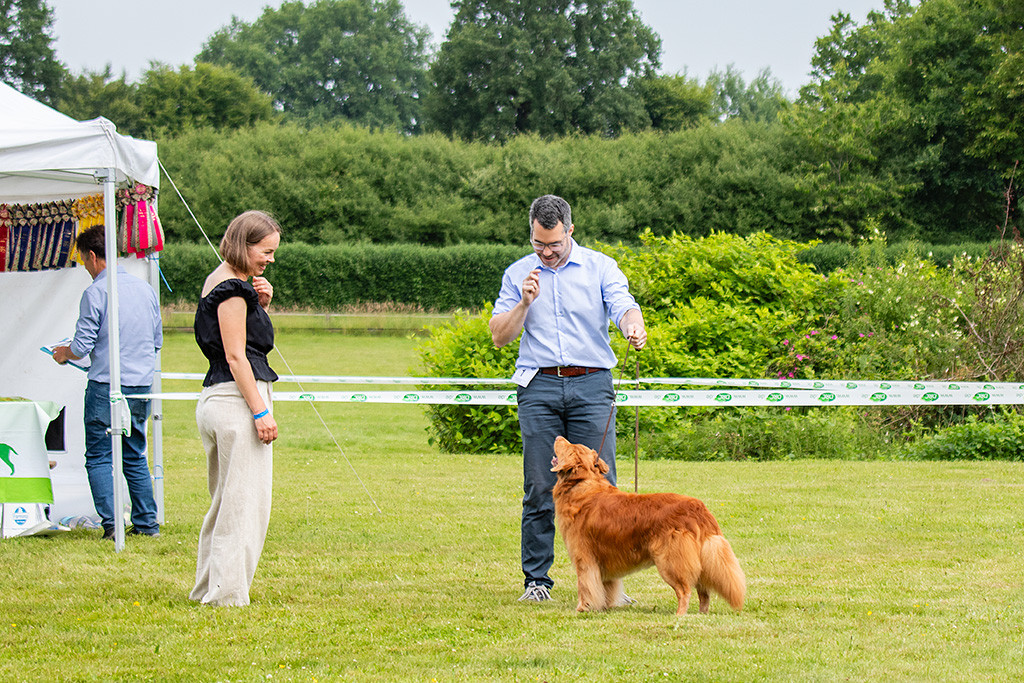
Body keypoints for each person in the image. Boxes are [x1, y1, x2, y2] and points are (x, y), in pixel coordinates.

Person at [489, 194, 647, 603]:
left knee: (602, 485)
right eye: (538, 243)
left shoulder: (600, 266)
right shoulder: (518, 274)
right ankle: (537, 582)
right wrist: (524, 303)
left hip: (592, 385)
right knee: (541, 485)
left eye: (554, 244)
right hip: (539, 386)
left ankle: (611, 585)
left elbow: (624, 307)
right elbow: (499, 336)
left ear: (570, 231)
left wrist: (633, 326)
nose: (545, 251)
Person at [189, 210, 281, 607]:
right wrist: (260, 411)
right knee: (243, 505)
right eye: (266, 251)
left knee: (225, 501)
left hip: (219, 398)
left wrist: (260, 302)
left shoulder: (227, 282)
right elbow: (235, 355)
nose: (270, 260)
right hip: (235, 400)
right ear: (244, 245)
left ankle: (207, 588)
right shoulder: (231, 288)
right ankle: (226, 594)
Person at [52, 224, 162, 540]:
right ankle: (146, 524)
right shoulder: (145, 289)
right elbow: (157, 341)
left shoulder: (96, 292)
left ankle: (113, 525)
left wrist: (64, 353)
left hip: (105, 386)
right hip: (140, 385)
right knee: (134, 453)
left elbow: (82, 346)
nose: (86, 269)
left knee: (99, 456)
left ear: (91, 256)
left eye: (84, 262)